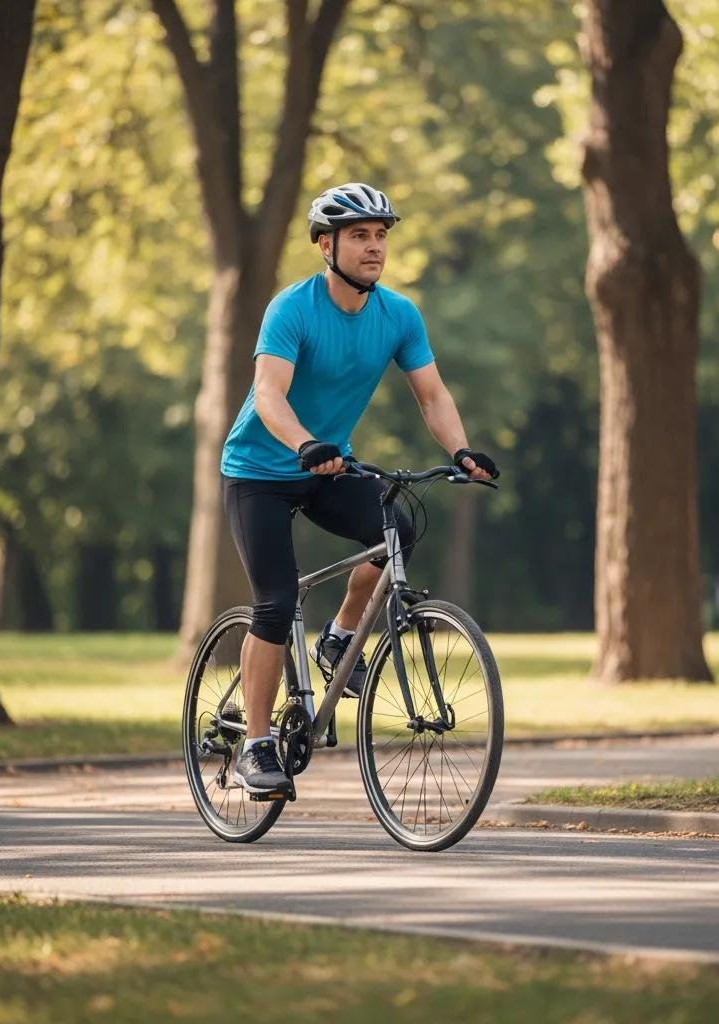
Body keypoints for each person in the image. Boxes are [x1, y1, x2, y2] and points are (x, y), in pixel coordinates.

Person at [220, 182, 499, 796]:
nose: (374, 248)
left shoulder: (399, 315)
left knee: (396, 528)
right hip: (260, 473)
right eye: (359, 236)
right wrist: (304, 445)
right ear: (326, 245)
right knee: (273, 603)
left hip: (331, 469)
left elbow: (432, 394)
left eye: (380, 236)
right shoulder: (292, 309)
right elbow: (269, 394)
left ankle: (341, 636)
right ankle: (255, 745)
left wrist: (460, 450)